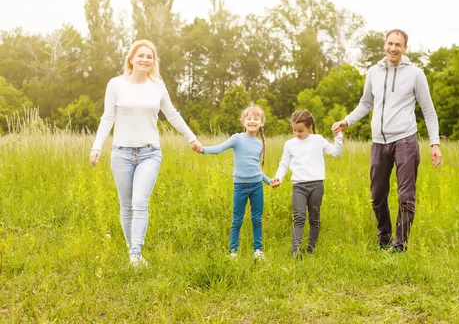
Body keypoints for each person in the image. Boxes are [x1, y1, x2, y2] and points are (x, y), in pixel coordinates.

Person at [89, 39, 203, 267]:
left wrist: (192, 138)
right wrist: (97, 145)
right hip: (121, 153)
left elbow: (172, 115)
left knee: (140, 202)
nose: (145, 59)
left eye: (149, 56)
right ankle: (135, 253)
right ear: (131, 58)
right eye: (140, 55)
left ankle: (134, 254)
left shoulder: (157, 86)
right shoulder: (116, 84)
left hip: (150, 153)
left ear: (154, 61)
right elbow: (108, 117)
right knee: (127, 204)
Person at [331, 29, 442, 253]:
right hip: (378, 143)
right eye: (390, 43)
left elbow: (429, 111)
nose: (393, 48)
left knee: (405, 196)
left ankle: (400, 244)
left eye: (398, 45)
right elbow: (365, 103)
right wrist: (346, 121)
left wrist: (435, 143)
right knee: (377, 194)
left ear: (405, 48)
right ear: (384, 45)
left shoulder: (416, 74)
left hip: (405, 141)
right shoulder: (373, 72)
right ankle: (384, 238)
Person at [200, 106, 274, 260]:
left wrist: (269, 181)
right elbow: (219, 149)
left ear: (262, 123)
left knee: (257, 219)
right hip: (240, 186)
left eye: (256, 119)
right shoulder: (237, 138)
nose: (252, 121)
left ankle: (258, 251)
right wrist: (202, 149)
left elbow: (256, 168)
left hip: (256, 186)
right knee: (237, 219)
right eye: (249, 118)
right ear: (243, 121)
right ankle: (233, 251)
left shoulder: (260, 144)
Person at [270, 110, 343, 257]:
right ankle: (295, 250)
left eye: (301, 130)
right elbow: (284, 163)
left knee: (314, 217)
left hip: (316, 185)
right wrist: (278, 177)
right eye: (295, 130)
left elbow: (336, 152)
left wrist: (338, 137)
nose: (297, 133)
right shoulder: (289, 144)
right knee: (299, 217)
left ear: (309, 127)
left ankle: (311, 247)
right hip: (299, 186)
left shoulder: (318, 140)